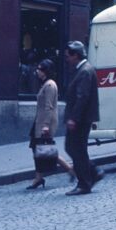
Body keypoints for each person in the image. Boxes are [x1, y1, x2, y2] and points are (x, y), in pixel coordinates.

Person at [26, 59, 75, 189]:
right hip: (39, 121)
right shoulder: (45, 84)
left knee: (46, 150)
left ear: (46, 71)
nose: (37, 71)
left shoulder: (49, 85)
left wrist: (46, 125)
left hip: (44, 122)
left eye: (40, 69)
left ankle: (69, 169)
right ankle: (39, 177)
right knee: (38, 149)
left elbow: (49, 107)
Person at [64, 41, 104, 195]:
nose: (67, 59)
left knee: (76, 149)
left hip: (81, 119)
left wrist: (74, 118)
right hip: (81, 118)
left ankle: (84, 183)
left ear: (76, 55)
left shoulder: (85, 71)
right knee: (74, 148)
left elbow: (82, 97)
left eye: (69, 56)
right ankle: (93, 172)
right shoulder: (82, 69)